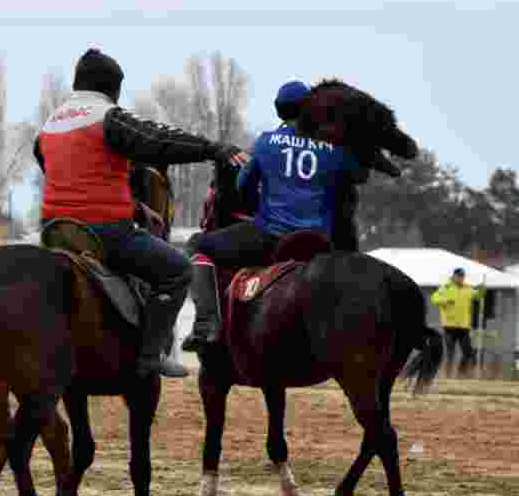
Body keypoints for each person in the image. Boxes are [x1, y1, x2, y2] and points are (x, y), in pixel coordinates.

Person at [34, 48, 248, 379]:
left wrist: (135, 206)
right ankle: (151, 355)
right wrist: (213, 148)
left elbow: (67, 176)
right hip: (105, 233)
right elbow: (158, 140)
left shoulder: (49, 126)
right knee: (177, 269)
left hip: (54, 231)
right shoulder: (108, 116)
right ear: (112, 88)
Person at [183, 81, 366, 353]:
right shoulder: (335, 147)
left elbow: (243, 187)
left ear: (280, 111)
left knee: (198, 245)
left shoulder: (267, 141)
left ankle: (207, 323)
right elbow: (356, 178)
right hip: (320, 242)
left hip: (271, 237)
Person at [431, 267, 486, 377]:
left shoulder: (468, 288)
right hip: (449, 325)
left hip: (463, 326)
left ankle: (461, 374)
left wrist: (482, 289)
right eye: (459, 276)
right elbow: (434, 298)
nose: (460, 278)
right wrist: (445, 301)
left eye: (462, 276)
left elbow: (478, 296)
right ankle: (447, 375)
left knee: (467, 352)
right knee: (450, 353)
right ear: (454, 276)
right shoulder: (445, 287)